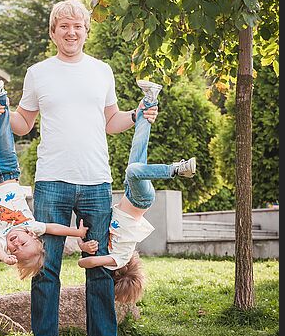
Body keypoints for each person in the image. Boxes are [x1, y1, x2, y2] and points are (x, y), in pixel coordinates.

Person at [0, 0, 159, 336]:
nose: (71, 32)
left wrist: (137, 114)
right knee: (46, 267)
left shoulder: (102, 71)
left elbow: (111, 121)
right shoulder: (38, 73)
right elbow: (24, 123)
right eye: (63, 26)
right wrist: (1, 116)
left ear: (86, 31)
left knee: (99, 267)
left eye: (77, 26)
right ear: (53, 33)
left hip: (97, 180)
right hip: (51, 180)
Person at [0, 81, 89, 279]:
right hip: (8, 171)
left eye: (15, 250)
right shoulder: (33, 226)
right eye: (22, 244)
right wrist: (77, 232)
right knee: (2, 134)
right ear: (32, 236)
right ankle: (0, 97)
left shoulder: (3, 239)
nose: (15, 244)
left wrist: (5, 257)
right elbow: (55, 229)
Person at [78, 80, 196, 305]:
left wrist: (84, 246)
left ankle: (150, 99)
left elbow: (86, 254)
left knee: (138, 148)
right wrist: (94, 257)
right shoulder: (117, 259)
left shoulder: (112, 252)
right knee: (133, 170)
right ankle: (178, 169)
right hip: (140, 200)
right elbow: (84, 264)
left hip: (129, 195)